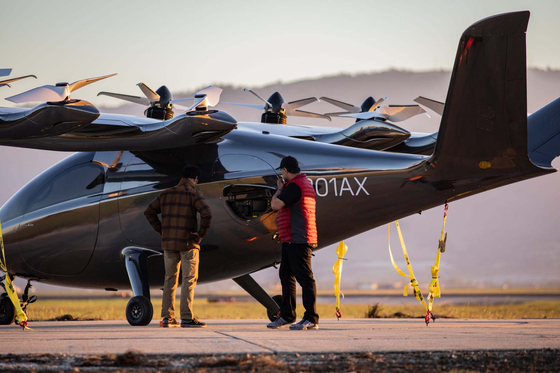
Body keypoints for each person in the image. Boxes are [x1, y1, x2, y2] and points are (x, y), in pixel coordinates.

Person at [144, 165, 212, 328]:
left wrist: (162, 230)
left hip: (169, 244)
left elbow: (149, 212)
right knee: (188, 279)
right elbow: (207, 213)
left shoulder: (166, 194)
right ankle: (187, 318)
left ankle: (168, 318)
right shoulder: (193, 194)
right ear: (195, 179)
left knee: (169, 280)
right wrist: (201, 233)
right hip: (188, 244)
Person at [267, 156, 319, 330]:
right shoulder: (303, 183)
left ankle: (311, 317)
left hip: (298, 238)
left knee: (304, 278)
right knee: (286, 276)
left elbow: (275, 205)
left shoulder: (294, 186)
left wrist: (278, 189)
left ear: (285, 170)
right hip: (292, 238)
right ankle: (288, 315)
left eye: (281, 171)